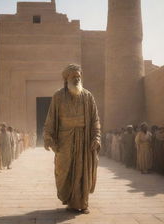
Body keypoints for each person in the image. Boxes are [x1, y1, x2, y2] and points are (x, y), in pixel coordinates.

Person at [43, 64, 101, 214]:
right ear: (66, 78)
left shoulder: (88, 96)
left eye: (78, 76)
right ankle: (70, 200)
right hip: (64, 141)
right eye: (73, 76)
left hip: (84, 140)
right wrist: (48, 136)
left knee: (83, 172)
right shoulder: (58, 96)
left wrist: (97, 136)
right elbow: (51, 118)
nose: (77, 79)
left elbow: (95, 119)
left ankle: (82, 202)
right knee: (64, 171)